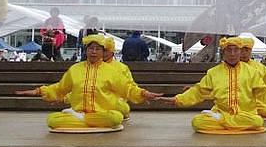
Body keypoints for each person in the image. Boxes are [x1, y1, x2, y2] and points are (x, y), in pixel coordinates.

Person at [15, 34, 161, 130]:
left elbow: (128, 88)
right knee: (52, 120)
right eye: (91, 48)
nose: (94, 52)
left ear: (103, 52)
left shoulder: (113, 71)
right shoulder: (75, 69)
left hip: (102, 113)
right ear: (86, 51)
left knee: (115, 117)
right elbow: (60, 88)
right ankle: (84, 119)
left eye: (98, 49)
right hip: (80, 112)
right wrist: (39, 91)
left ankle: (84, 120)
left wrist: (143, 93)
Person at [165, 37, 266, 132]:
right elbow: (199, 91)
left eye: (236, 50)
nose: (232, 54)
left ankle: (224, 121)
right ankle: (230, 122)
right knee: (197, 122)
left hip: (245, 114)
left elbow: (264, 91)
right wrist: (178, 99)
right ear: (223, 52)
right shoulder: (213, 72)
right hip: (223, 113)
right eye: (229, 50)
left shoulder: (252, 71)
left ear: (240, 52)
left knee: (257, 121)